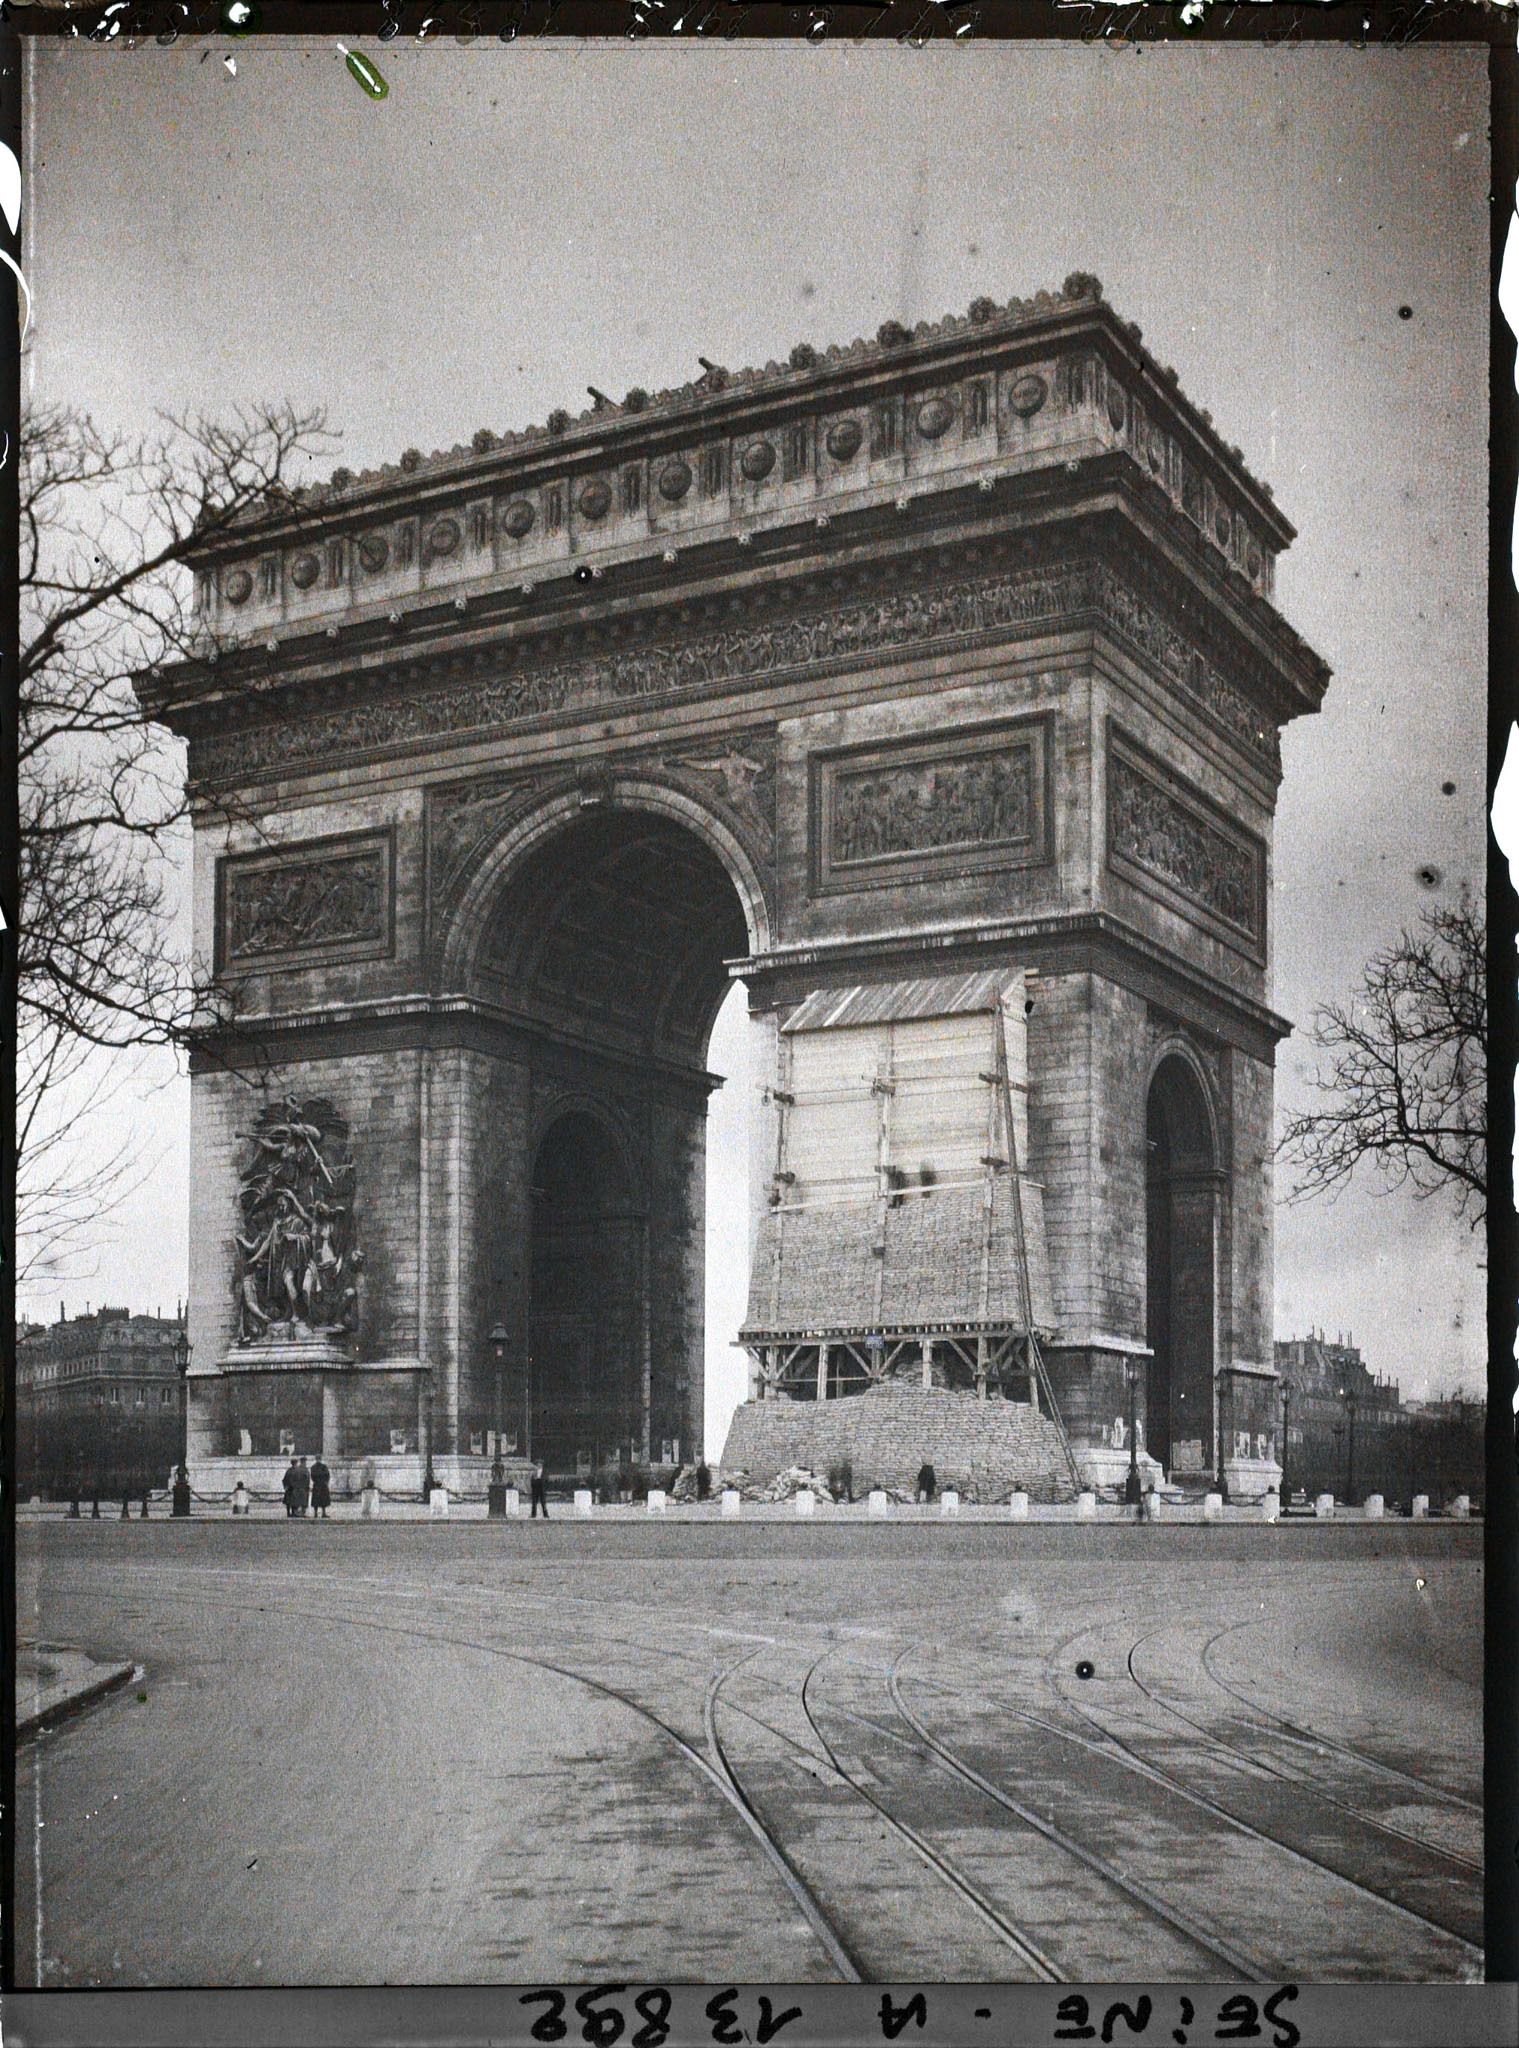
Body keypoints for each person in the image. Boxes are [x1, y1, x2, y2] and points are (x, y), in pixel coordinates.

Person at [310, 1454, 331, 1520]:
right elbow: (327, 1475)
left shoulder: (313, 1467)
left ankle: (316, 1513)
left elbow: (312, 1477)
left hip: (316, 1485)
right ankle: (323, 1513)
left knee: (316, 1499)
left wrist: (316, 1481)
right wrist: (326, 1482)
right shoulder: (324, 1466)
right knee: (323, 1499)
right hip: (323, 1485)